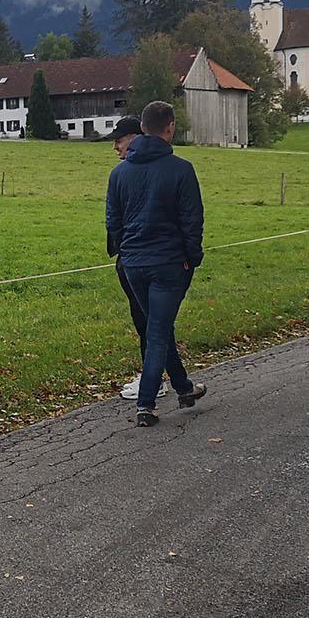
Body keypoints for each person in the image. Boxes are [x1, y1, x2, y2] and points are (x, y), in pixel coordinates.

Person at [106, 99, 206, 427]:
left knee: (158, 327)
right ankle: (146, 403)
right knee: (158, 331)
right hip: (169, 262)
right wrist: (192, 257)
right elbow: (192, 219)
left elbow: (113, 220)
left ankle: (184, 387)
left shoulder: (119, 173)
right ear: (170, 127)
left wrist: (126, 250)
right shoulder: (181, 169)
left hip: (133, 263)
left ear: (142, 129)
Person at [101, 115, 162, 403]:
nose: (115, 147)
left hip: (141, 256)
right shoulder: (126, 171)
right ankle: (166, 377)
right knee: (148, 319)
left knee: (148, 319)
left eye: (119, 140)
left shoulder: (133, 172)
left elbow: (120, 217)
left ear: (136, 138)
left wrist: (124, 247)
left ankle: (155, 380)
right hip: (133, 255)